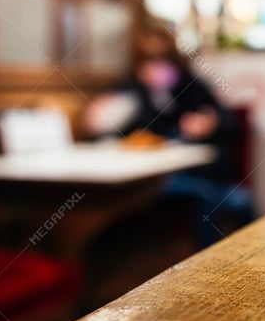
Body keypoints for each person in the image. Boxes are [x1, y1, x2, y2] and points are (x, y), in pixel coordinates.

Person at [85, 25, 254, 249]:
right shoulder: (130, 89)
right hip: (155, 180)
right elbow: (102, 127)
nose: (156, 67)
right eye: (149, 59)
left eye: (162, 58)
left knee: (237, 200)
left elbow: (228, 122)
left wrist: (210, 123)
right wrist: (98, 118)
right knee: (210, 198)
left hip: (202, 172)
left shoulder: (192, 86)